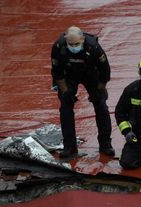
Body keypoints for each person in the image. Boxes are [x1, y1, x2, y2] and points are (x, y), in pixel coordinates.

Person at [51, 26, 115, 158]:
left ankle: (105, 144)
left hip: (91, 74)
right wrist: (66, 92)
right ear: (65, 40)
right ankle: (70, 147)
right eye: (71, 44)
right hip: (69, 75)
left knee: (101, 106)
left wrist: (99, 90)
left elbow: (105, 72)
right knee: (65, 107)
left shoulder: (94, 47)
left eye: (76, 44)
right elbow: (57, 72)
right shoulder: (58, 46)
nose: (73, 47)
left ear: (83, 39)